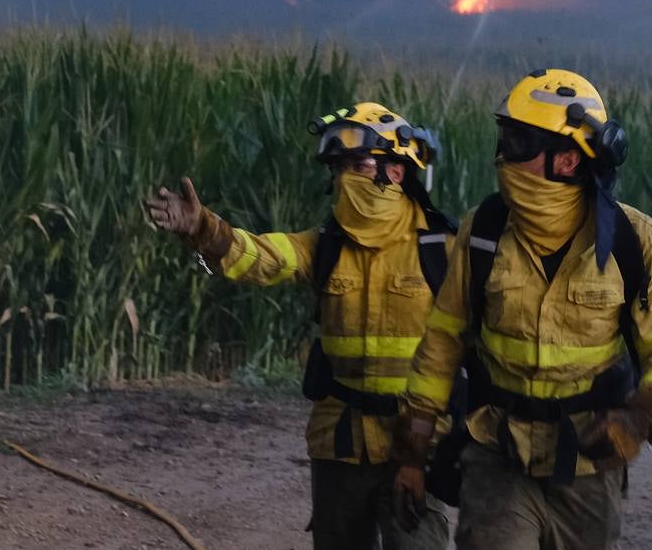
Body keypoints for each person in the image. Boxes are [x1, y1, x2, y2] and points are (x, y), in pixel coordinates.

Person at [391, 69, 652, 550]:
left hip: (588, 462)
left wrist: (638, 421)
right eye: (505, 138)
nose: (502, 156)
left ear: (568, 160)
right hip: (498, 454)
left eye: (519, 143)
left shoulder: (634, 241)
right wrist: (413, 453)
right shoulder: (485, 231)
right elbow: (440, 348)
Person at [146, 102, 455, 550]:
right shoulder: (325, 246)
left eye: (359, 165)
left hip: (415, 446)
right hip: (340, 444)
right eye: (339, 168)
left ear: (397, 172)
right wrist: (204, 229)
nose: (346, 177)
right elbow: (263, 256)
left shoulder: (442, 248)